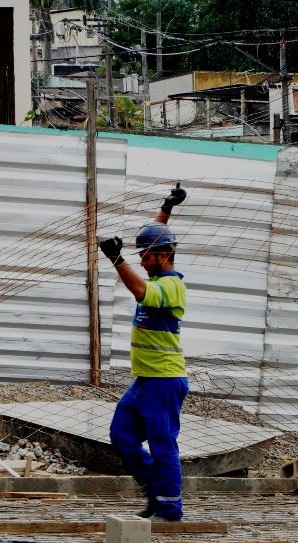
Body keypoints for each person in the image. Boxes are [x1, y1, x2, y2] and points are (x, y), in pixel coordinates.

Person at [98, 184, 189, 521]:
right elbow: (157, 236)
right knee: (122, 435)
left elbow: (140, 291)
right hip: (145, 381)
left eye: (146, 256)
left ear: (163, 256)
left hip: (164, 381)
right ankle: (154, 489)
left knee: (163, 444)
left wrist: (116, 259)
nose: (141, 260)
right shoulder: (158, 262)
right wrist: (166, 208)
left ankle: (170, 509)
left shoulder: (171, 286)